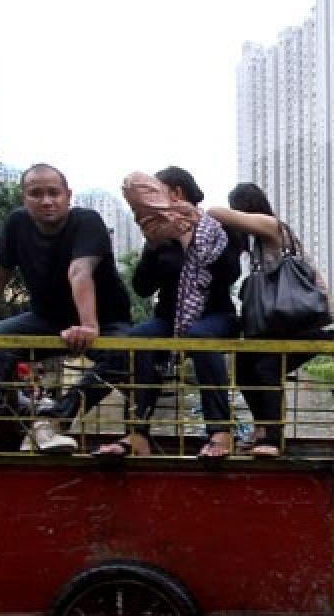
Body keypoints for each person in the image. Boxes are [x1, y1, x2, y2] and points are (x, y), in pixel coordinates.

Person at [0, 163, 132, 455]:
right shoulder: (16, 224)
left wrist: (89, 326)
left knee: (125, 355)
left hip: (104, 319)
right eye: (36, 193)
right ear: (23, 198)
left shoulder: (87, 221)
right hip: (45, 318)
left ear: (68, 196)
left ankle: (54, 422)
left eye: (54, 193)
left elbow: (80, 270)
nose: (46, 201)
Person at [94, 167, 241, 458]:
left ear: (174, 193)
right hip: (167, 319)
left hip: (215, 316)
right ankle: (137, 433)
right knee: (138, 338)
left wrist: (191, 239)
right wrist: (153, 246)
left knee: (200, 335)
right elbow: (142, 287)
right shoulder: (159, 237)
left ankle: (220, 431)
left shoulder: (216, 229)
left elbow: (230, 273)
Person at [207, 183, 334, 458]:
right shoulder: (259, 247)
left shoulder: (271, 226)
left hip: (308, 326)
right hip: (285, 327)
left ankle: (273, 438)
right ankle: (262, 429)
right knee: (243, 365)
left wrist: (223, 215)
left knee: (267, 366)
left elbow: (215, 213)